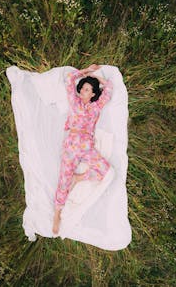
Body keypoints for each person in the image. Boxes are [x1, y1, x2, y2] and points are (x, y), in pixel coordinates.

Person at [52, 64, 113, 234]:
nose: (83, 91)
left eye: (88, 89)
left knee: (105, 172)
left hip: (87, 146)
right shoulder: (74, 102)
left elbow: (108, 89)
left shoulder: (96, 107)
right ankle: (57, 213)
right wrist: (86, 71)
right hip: (72, 143)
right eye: (83, 88)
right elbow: (70, 79)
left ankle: (79, 178)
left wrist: (98, 79)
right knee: (63, 180)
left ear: (93, 93)